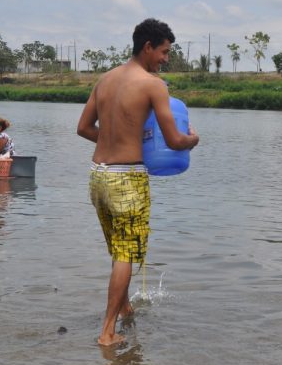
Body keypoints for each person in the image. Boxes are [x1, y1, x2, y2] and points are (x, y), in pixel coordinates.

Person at [76, 18, 199, 347]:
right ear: (148, 47)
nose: (165, 59)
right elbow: (173, 140)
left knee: (119, 251)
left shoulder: (105, 79)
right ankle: (107, 332)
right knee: (127, 254)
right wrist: (192, 139)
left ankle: (125, 305)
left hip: (98, 175)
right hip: (127, 178)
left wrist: (118, 139)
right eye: (164, 52)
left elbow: (84, 128)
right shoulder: (153, 85)